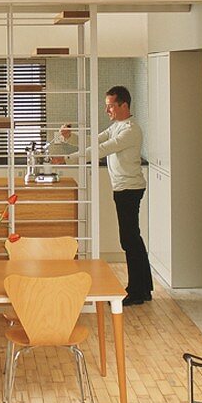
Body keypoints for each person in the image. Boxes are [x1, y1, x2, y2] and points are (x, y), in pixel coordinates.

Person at [55, 86, 153, 306]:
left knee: (129, 240)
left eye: (110, 105)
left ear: (123, 105)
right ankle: (144, 288)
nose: (106, 109)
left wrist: (68, 159)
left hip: (129, 189)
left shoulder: (131, 130)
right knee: (132, 239)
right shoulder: (117, 126)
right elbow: (94, 140)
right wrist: (70, 137)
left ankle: (136, 291)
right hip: (123, 188)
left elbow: (103, 149)